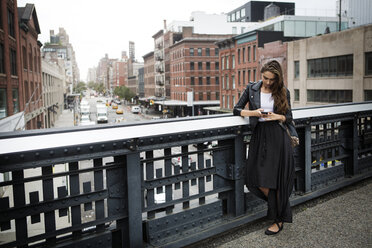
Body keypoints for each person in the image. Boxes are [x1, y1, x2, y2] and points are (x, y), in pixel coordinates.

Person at [233, 60, 298, 235]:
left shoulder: (283, 91)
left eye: (272, 79)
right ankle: (280, 211)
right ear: (261, 75)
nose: (268, 82)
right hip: (259, 135)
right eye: (265, 78)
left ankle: (278, 220)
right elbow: (236, 109)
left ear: (278, 78)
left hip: (278, 136)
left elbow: (289, 118)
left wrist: (278, 116)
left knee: (276, 180)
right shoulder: (252, 88)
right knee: (253, 177)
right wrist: (254, 113)